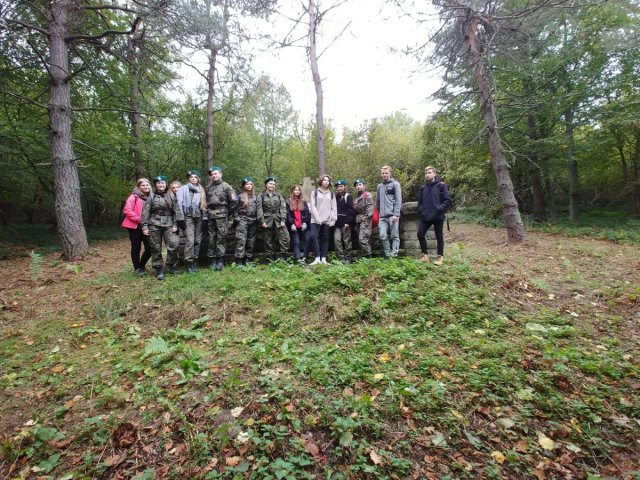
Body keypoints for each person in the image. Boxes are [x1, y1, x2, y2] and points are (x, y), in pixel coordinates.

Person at [141, 175, 184, 280]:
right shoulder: (151, 196)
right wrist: (145, 226)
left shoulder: (171, 196)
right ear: (156, 185)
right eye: (159, 183)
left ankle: (170, 265)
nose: (161, 185)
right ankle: (158, 268)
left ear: (165, 184)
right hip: (154, 224)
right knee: (155, 247)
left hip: (169, 224)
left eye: (163, 183)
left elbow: (176, 211)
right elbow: (145, 211)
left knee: (174, 243)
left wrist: (175, 224)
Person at [417, 165, 452, 266]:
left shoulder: (441, 186)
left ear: (434, 174)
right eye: (426, 173)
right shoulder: (423, 188)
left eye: (429, 173)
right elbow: (420, 202)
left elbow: (447, 200)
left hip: (438, 216)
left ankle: (440, 257)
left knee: (439, 236)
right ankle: (425, 256)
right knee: (420, 234)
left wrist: (438, 209)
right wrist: (421, 210)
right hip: (425, 216)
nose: (427, 175)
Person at [204, 166, 237, 271]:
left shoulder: (226, 186)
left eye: (216, 173)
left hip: (222, 215)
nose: (214, 176)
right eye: (212, 174)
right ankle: (212, 259)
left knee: (221, 238)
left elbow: (234, 201)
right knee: (211, 238)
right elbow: (205, 202)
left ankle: (220, 259)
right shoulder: (208, 187)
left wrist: (228, 212)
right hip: (211, 215)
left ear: (220, 174)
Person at [176, 170, 207, 273]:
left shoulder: (201, 190)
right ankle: (189, 262)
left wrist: (205, 219)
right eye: (191, 177)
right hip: (188, 217)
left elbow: (204, 205)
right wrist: (180, 218)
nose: (193, 178)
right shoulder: (182, 189)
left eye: (195, 177)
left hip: (199, 217)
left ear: (198, 178)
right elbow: (178, 204)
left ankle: (195, 261)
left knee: (198, 241)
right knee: (190, 240)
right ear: (188, 179)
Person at [121, 178, 152, 276]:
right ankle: (137, 268)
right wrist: (140, 219)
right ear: (139, 187)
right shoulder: (134, 196)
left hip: (147, 225)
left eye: (147, 185)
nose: (146, 187)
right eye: (143, 185)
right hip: (134, 225)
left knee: (150, 247)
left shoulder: (152, 197)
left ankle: (141, 265)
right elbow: (127, 210)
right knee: (136, 247)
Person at [257, 177, 290, 261]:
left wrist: (283, 219)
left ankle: (283, 257)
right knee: (268, 240)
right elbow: (259, 209)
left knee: (285, 237)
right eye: (270, 183)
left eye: (274, 184)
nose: (272, 185)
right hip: (267, 220)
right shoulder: (261, 196)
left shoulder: (278, 195)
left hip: (278, 219)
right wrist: (262, 221)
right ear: (266, 185)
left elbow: (283, 208)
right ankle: (270, 258)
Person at [309, 175, 337, 265]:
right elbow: (312, 207)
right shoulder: (315, 192)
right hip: (315, 220)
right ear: (321, 181)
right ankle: (317, 258)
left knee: (325, 239)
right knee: (314, 237)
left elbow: (334, 208)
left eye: (328, 180)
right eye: (324, 180)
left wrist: (333, 220)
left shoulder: (331, 194)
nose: (326, 182)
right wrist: (317, 219)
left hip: (327, 220)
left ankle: (324, 259)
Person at [376, 165, 402, 258]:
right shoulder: (379, 186)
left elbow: (398, 200)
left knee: (394, 236)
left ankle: (394, 254)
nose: (384, 175)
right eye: (383, 173)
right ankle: (388, 254)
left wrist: (396, 214)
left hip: (393, 215)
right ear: (381, 174)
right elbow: (377, 202)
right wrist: (379, 213)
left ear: (390, 173)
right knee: (382, 235)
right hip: (382, 217)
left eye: (386, 173)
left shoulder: (395, 184)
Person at [234, 177, 259, 267]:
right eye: (247, 184)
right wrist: (237, 218)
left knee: (251, 241)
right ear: (244, 186)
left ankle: (248, 259)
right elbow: (234, 208)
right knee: (241, 240)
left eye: (250, 184)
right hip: (243, 220)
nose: (249, 186)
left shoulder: (256, 197)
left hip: (253, 220)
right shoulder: (240, 196)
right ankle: (239, 260)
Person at [286, 184, 312, 265]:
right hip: (294, 226)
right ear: (292, 191)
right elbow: (288, 214)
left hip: (303, 225)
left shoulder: (303, 201)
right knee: (296, 242)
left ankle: (305, 257)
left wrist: (305, 222)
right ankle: (298, 259)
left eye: (298, 190)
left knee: (308, 239)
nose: (297, 191)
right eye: (295, 190)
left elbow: (307, 213)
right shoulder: (288, 201)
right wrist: (291, 224)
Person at [333, 180, 355, 263]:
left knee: (347, 240)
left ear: (344, 187)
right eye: (338, 187)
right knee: (337, 239)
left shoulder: (348, 196)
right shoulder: (335, 197)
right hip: (337, 222)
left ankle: (348, 257)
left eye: (341, 186)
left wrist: (348, 222)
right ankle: (341, 257)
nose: (340, 188)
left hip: (345, 222)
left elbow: (351, 210)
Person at [353, 179, 374, 260]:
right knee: (362, 239)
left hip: (365, 220)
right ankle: (365, 256)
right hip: (358, 220)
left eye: (360, 184)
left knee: (363, 239)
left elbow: (370, 208)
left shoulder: (367, 195)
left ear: (363, 186)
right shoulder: (357, 197)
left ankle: (368, 256)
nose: (358, 186)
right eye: (357, 185)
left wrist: (367, 220)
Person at [170, 180, 186, 265]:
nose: (176, 189)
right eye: (173, 188)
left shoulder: (185, 196)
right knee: (176, 242)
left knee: (186, 241)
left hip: (186, 221)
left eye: (177, 187)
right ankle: (178, 260)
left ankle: (184, 259)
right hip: (175, 223)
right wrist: (175, 224)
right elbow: (172, 213)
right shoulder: (171, 198)